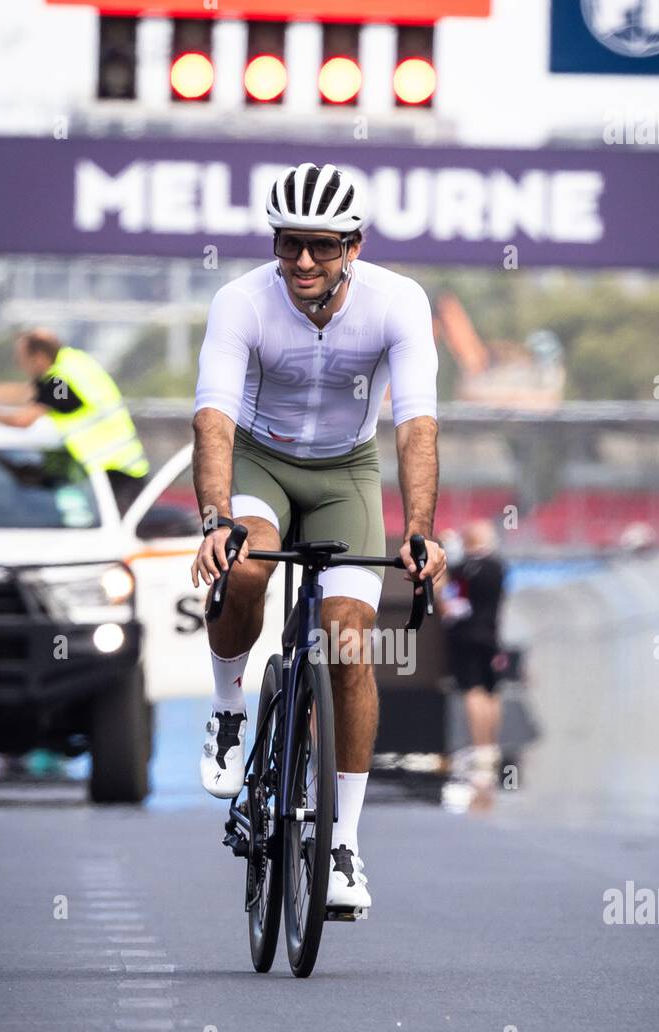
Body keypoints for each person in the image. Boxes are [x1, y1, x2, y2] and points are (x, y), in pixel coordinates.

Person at [189, 162, 444, 915]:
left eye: (322, 247)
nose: (303, 261)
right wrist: (215, 521)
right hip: (260, 464)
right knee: (243, 571)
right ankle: (229, 710)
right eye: (290, 243)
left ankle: (343, 847)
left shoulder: (400, 302)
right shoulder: (241, 302)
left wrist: (420, 531)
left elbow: (417, 424)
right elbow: (213, 421)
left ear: (354, 247)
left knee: (347, 643)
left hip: (347, 475)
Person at [0, 329, 150, 514]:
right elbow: (26, 393)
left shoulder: (60, 379)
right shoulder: (74, 363)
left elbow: (23, 419)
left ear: (38, 357)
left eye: (22, 359)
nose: (20, 366)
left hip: (115, 475)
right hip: (111, 472)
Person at [439, 518, 507, 787]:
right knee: (491, 691)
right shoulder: (499, 567)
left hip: (466, 636)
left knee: (473, 690)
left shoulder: (465, 569)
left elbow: (446, 592)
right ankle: (490, 746)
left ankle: (480, 748)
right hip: (491, 636)